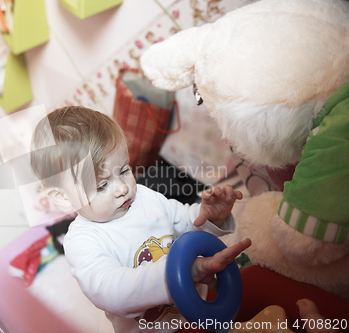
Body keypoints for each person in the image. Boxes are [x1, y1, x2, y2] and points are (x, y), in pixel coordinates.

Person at [30, 106, 251, 333]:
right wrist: (184, 272)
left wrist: (208, 216)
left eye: (124, 170)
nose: (122, 188)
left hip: (202, 311)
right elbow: (112, 292)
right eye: (102, 185)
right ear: (63, 197)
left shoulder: (144, 197)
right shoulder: (82, 241)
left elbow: (183, 221)